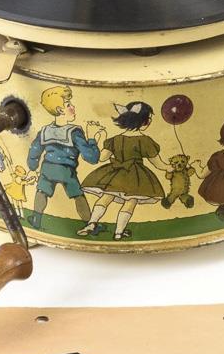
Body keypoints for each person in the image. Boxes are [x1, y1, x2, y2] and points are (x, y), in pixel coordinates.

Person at [78, 101, 170, 240]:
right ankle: (118, 233)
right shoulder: (145, 141)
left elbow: (102, 158)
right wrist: (169, 167)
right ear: (144, 122)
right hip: (136, 177)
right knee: (130, 201)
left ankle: (91, 223)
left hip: (114, 174)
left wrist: (100, 139)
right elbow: (158, 163)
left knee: (106, 197)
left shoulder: (115, 140)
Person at [26, 85, 104, 231]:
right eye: (68, 105)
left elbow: (35, 150)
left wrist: (32, 165)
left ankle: (36, 219)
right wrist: (92, 139)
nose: (73, 107)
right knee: (78, 195)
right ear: (60, 110)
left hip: (47, 168)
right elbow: (91, 157)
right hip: (67, 170)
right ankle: (90, 224)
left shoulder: (45, 131)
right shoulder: (74, 132)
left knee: (42, 191)